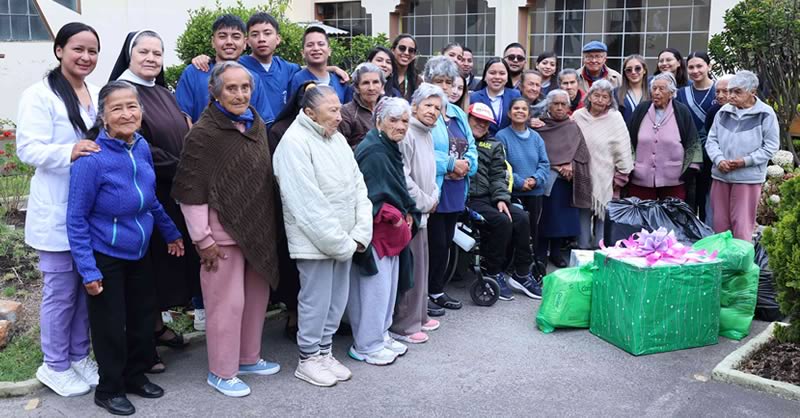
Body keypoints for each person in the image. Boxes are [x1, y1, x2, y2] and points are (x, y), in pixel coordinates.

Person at [67, 81, 184, 415]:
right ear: (103, 116)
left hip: (139, 251)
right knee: (110, 327)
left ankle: (134, 376)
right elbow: (75, 219)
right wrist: (88, 270)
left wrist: (171, 232)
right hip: (106, 255)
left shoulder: (141, 147)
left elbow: (150, 201)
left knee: (142, 319)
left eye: (132, 106)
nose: (127, 113)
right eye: (117, 108)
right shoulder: (91, 159)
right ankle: (109, 388)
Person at [171, 62, 281, 398]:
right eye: (231, 88)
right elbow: (191, 191)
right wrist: (202, 239)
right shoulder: (203, 133)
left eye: (245, 87)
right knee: (226, 305)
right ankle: (221, 371)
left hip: (257, 230)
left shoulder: (256, 124)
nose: (240, 94)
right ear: (215, 91)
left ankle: (248, 358)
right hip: (220, 239)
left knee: (255, 300)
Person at [16, 22, 101, 399]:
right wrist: (69, 150)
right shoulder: (39, 95)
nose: (85, 57)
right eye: (77, 49)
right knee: (61, 292)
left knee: (86, 287)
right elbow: (27, 148)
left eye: (92, 51)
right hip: (57, 209)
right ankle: (54, 364)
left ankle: (79, 355)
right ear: (59, 50)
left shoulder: (95, 92)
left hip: (89, 209)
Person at [108, 29, 197, 369]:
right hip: (146, 191)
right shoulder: (122, 92)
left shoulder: (162, 91)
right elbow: (136, 141)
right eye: (143, 51)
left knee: (167, 263)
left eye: (157, 53)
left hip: (174, 189)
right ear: (129, 55)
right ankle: (144, 339)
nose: (151, 58)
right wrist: (181, 167)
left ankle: (157, 326)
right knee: (149, 265)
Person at [273, 85, 372, 387]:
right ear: (309, 112)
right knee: (315, 302)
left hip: (344, 238)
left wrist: (358, 233)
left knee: (336, 301)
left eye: (339, 109)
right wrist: (341, 242)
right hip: (315, 242)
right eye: (333, 110)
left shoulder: (338, 139)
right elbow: (306, 203)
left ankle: (325, 353)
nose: (340, 117)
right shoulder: (293, 143)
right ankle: (308, 359)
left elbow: (359, 187)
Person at [348, 97, 419, 365]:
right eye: (394, 120)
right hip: (377, 232)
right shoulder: (375, 150)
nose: (401, 126)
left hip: (391, 231)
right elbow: (370, 195)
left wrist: (406, 210)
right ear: (379, 120)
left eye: (404, 121)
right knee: (373, 291)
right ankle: (366, 345)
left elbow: (395, 187)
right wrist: (396, 215)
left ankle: (380, 335)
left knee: (387, 289)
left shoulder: (388, 145)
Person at [390, 83, 446, 342]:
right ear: (414, 106)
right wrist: (424, 202)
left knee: (422, 266)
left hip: (424, 210)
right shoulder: (408, 132)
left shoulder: (428, 132)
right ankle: (405, 325)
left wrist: (433, 195)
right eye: (428, 105)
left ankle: (420, 316)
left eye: (437, 107)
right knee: (409, 271)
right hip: (410, 212)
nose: (433, 111)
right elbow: (403, 177)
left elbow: (431, 172)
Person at [423, 56, 478, 312]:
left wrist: (467, 165)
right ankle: (424, 295)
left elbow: (472, 147)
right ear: (427, 81)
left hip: (456, 189)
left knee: (444, 243)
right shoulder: (422, 110)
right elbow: (419, 150)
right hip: (434, 189)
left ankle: (437, 290)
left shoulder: (457, 112)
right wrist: (449, 164)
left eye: (449, 81)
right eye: (439, 81)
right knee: (431, 246)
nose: (445, 87)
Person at [476, 101, 545, 300]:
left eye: (485, 122)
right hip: (471, 198)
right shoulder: (463, 142)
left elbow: (499, 173)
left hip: (492, 196)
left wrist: (500, 198)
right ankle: (493, 271)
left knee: (522, 217)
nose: (481, 125)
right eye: (477, 121)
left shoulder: (493, 144)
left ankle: (521, 273)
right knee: (502, 221)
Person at [267, 80, 319, 342]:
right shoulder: (279, 130)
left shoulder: (325, 128)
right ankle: (293, 314)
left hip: (319, 207)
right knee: (292, 265)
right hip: (289, 206)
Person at [705, 70, 779, 241]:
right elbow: (711, 141)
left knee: (742, 226)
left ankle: (740, 266)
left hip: (748, 178)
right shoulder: (723, 111)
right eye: (730, 91)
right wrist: (719, 160)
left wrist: (745, 161)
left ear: (752, 92)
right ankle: (722, 265)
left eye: (737, 91)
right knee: (720, 225)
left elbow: (771, 146)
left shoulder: (765, 113)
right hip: (721, 175)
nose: (730, 96)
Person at [175, 15, 273, 124]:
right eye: (222, 36)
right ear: (213, 41)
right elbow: (183, 117)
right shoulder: (194, 72)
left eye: (236, 37)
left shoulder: (253, 78)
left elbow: (264, 122)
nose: (229, 42)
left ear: (245, 43)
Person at [533, 90, 592, 267]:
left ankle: (557, 253)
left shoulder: (573, 126)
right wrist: (557, 167)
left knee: (562, 220)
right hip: (547, 177)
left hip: (567, 180)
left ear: (568, 106)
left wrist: (572, 165)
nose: (559, 107)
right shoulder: (540, 125)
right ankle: (540, 254)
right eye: (555, 104)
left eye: (563, 104)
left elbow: (582, 152)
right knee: (545, 219)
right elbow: (535, 152)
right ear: (548, 105)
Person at [572, 80, 634, 249]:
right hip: (581, 174)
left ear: (609, 100)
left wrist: (622, 173)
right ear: (589, 96)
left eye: (604, 97)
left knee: (604, 216)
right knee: (582, 213)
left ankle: (601, 250)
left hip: (607, 174)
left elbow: (623, 147)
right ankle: (582, 249)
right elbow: (567, 139)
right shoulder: (578, 116)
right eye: (596, 95)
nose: (600, 100)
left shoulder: (615, 118)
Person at [627, 73, 700, 201]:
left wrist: (691, 168)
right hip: (641, 178)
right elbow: (628, 140)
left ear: (671, 93)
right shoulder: (641, 110)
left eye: (661, 89)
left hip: (674, 180)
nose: (656, 92)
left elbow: (693, 142)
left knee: (671, 218)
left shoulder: (682, 112)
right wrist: (630, 166)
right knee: (642, 219)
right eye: (654, 88)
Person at [239, 13, 301, 117]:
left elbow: (311, 70)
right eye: (255, 35)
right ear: (247, 41)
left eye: (267, 33)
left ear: (277, 39)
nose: (261, 39)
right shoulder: (238, 66)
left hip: (280, 132)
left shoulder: (287, 68)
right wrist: (203, 59)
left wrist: (334, 69)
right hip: (251, 131)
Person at [288, 26, 351, 104]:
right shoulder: (297, 80)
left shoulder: (340, 81)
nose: (316, 48)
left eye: (321, 44)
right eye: (310, 45)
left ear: (329, 51)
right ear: (303, 53)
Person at [470, 57, 522, 136]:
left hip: (509, 144)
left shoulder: (515, 95)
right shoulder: (474, 97)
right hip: (483, 145)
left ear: (507, 77)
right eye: (492, 73)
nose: (497, 77)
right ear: (485, 76)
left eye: (502, 73)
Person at [340, 63, 385, 149]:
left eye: (375, 82)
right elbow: (341, 148)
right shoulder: (346, 112)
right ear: (357, 87)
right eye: (365, 83)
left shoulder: (389, 109)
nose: (371, 88)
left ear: (382, 86)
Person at [617, 55, 650, 124]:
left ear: (644, 70)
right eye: (629, 70)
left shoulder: (652, 93)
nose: (633, 72)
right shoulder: (616, 93)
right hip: (624, 133)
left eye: (638, 68)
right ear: (625, 73)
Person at [391, 34, 422, 101]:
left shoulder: (417, 81)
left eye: (411, 50)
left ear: (414, 55)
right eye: (402, 48)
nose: (406, 53)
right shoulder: (385, 75)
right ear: (393, 50)